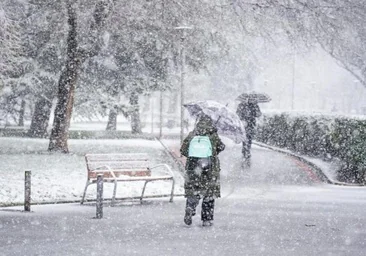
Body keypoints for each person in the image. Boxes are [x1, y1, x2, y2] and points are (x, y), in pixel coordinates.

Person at [180, 115, 225, 227]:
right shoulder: (213, 135)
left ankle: (190, 207)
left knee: (194, 189)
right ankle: (206, 219)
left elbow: (183, 150)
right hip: (209, 168)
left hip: (193, 168)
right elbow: (220, 147)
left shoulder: (192, 134)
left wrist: (195, 156)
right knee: (209, 192)